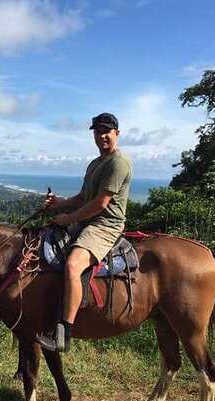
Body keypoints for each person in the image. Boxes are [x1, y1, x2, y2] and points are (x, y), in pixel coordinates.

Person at [37, 112, 132, 353]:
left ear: (116, 134)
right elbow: (83, 198)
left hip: (105, 225)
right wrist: (57, 204)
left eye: (106, 131)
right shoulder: (95, 163)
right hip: (88, 221)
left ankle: (63, 334)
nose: (102, 136)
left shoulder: (118, 163)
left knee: (72, 265)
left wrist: (66, 219)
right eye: (98, 132)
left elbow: (100, 203)